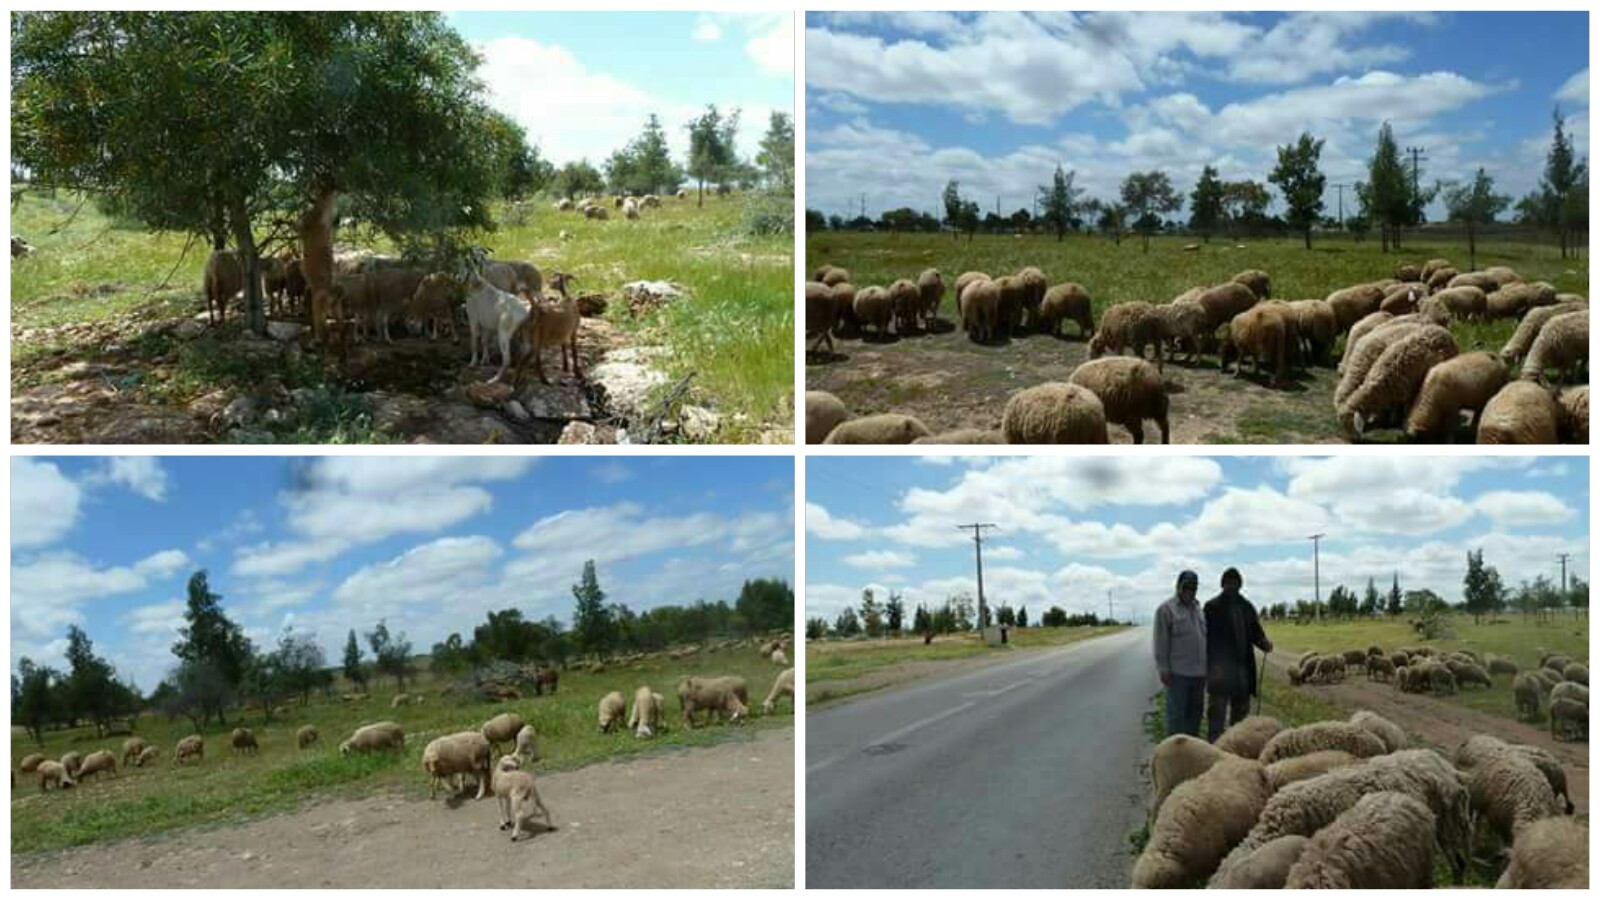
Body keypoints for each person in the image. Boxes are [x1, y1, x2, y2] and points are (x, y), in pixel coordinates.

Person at [1204, 567, 1273, 742]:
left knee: (1240, 719)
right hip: (1220, 672)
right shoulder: (1212, 607)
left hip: (1243, 671)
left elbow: (1256, 632)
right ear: (1223, 584)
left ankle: (1235, 754)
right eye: (1228, 582)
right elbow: (1207, 640)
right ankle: (1213, 752)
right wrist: (1213, 666)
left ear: (1240, 584)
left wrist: (1264, 643)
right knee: (1217, 718)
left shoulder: (1247, 607)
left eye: (1235, 582)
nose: (1232, 585)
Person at [1152, 570, 1206, 738]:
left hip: (1199, 675)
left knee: (1195, 718)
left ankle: (1190, 755)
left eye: (1193, 587)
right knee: (1176, 720)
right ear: (1178, 586)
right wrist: (1163, 669)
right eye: (1186, 587)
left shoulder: (1198, 609)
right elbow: (1160, 641)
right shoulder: (1166, 609)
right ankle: (1174, 756)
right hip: (1178, 675)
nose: (1190, 591)